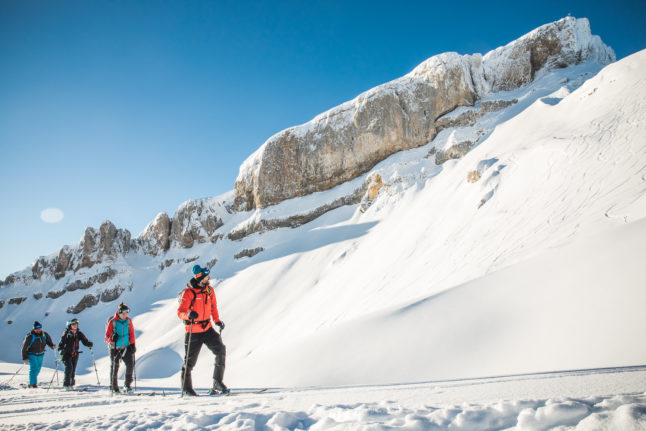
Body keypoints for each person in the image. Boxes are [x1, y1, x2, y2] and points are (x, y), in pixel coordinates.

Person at [177, 265, 228, 396]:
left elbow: (213, 307)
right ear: (200, 277)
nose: (209, 278)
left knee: (220, 350)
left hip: (207, 329)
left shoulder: (209, 290)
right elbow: (180, 312)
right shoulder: (189, 293)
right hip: (193, 330)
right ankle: (186, 389)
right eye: (206, 276)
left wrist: (216, 320)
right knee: (189, 362)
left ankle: (217, 382)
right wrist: (188, 314)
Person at [105, 302, 136, 394]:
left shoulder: (128, 321)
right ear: (119, 312)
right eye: (123, 312)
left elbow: (131, 334)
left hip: (126, 347)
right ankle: (114, 387)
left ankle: (127, 385)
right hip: (114, 348)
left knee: (130, 365)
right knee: (115, 367)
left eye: (127, 312)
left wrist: (132, 344)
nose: (125, 314)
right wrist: (112, 338)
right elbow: (107, 336)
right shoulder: (113, 322)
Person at [58, 318, 93, 390]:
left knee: (73, 369)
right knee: (69, 368)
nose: (75, 326)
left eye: (76, 324)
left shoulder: (78, 333)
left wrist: (88, 344)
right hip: (66, 354)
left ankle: (71, 384)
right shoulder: (66, 333)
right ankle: (66, 384)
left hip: (75, 353)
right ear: (70, 325)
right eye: (73, 324)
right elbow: (61, 344)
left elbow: (84, 340)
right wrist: (61, 350)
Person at [21, 321, 56, 388]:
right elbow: (24, 347)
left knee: (38, 369)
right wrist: (25, 358)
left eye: (39, 328)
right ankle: (33, 385)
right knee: (34, 369)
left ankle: (32, 382)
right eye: (36, 328)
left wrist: (52, 346)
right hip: (32, 354)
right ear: (34, 329)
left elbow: (49, 342)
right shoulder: (30, 336)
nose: (38, 330)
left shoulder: (44, 335)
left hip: (41, 354)